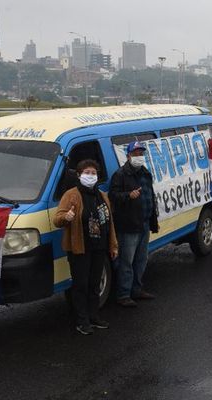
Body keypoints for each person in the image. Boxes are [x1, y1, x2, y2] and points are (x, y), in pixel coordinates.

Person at [54, 159, 118, 335]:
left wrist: (113, 245)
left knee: (94, 284)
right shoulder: (71, 195)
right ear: (79, 175)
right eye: (87, 172)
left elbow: (109, 223)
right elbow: (57, 219)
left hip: (99, 247)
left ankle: (94, 316)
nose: (90, 176)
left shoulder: (102, 195)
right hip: (79, 249)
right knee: (81, 285)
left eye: (93, 173)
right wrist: (66, 217)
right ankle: (82, 321)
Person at [109, 141, 159, 308]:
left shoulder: (145, 173)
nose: (139, 156)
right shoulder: (121, 175)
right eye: (136, 153)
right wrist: (128, 196)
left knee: (141, 259)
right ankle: (123, 294)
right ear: (128, 155)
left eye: (141, 153)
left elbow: (149, 195)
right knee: (126, 261)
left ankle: (136, 289)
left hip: (144, 223)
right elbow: (113, 196)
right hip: (129, 225)